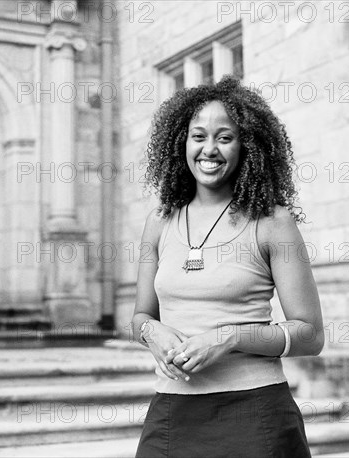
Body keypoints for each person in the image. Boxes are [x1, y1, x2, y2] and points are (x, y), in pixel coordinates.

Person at [132, 75, 324, 458]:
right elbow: (140, 315)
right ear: (180, 143)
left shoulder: (272, 221)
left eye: (225, 137)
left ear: (246, 146)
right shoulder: (160, 221)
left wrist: (229, 337)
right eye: (198, 136)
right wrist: (151, 333)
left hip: (254, 413)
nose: (210, 149)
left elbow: (310, 335)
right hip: (172, 413)